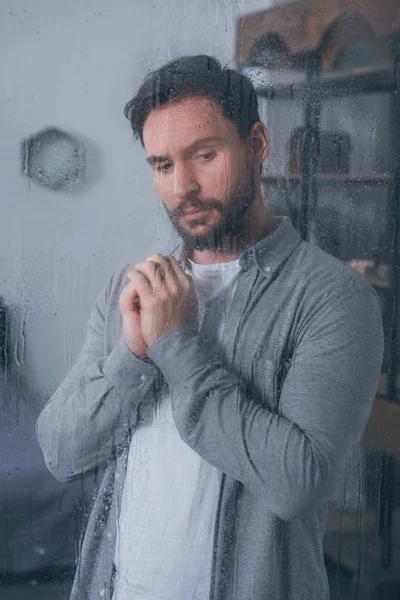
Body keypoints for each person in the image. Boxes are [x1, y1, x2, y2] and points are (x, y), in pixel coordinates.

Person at [36, 55, 384, 600]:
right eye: (162, 165)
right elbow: (60, 453)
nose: (184, 187)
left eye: (204, 154)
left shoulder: (333, 298)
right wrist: (132, 354)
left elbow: (296, 483)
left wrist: (175, 344)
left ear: (257, 144)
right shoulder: (128, 291)